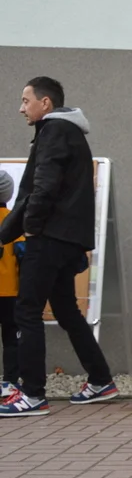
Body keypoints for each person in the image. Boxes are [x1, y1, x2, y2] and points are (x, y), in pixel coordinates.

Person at [0, 77, 117, 418]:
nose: (21, 108)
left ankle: (32, 394)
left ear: (45, 103)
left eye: (25, 100)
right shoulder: (71, 134)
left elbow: (43, 187)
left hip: (49, 238)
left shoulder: (53, 133)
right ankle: (100, 379)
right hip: (67, 240)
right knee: (66, 310)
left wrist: (30, 229)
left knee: (27, 311)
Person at [0, 170, 22, 396]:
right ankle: (10, 382)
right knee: (11, 338)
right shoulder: (14, 221)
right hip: (9, 290)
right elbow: (24, 255)